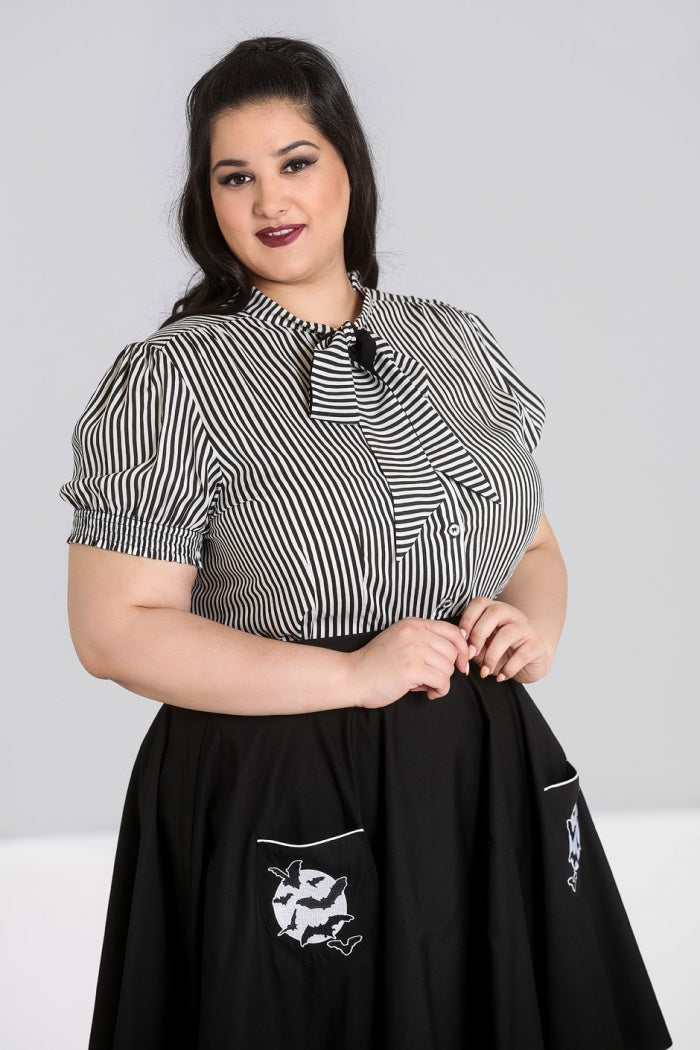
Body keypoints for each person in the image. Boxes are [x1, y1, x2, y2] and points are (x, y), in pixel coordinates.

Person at [59, 35, 672, 1050]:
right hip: (284, 790)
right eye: (234, 176)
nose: (268, 199)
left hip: (479, 780)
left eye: (295, 162)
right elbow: (115, 634)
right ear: (205, 202)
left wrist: (532, 623)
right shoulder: (173, 381)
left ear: (349, 165)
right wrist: (352, 675)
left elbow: (529, 545)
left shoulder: (453, 341)